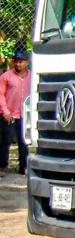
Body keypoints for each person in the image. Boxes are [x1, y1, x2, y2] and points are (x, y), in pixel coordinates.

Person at [1, 47, 31, 175]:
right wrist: (5, 111)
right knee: (4, 141)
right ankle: (2, 166)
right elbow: (0, 94)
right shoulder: (6, 76)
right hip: (9, 114)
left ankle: (23, 166)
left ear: (27, 63)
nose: (18, 64)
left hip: (25, 115)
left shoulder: (32, 76)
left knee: (23, 142)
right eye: (16, 61)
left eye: (21, 61)